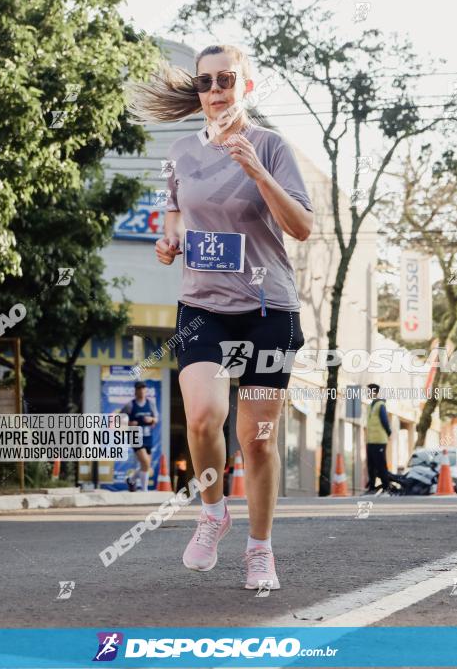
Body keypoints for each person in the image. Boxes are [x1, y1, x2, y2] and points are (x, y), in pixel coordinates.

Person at [126, 44, 314, 589]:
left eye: (225, 80)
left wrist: (257, 170)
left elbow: (300, 227)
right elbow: (178, 209)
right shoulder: (181, 152)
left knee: (256, 438)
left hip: (268, 307)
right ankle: (213, 512)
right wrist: (169, 239)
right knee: (206, 417)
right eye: (205, 83)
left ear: (245, 86)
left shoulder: (272, 148)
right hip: (203, 304)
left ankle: (260, 551)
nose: (214, 91)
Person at [120, 381, 158, 491]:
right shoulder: (130, 405)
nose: (141, 391)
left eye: (143, 389)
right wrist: (129, 423)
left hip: (147, 436)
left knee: (146, 465)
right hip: (135, 435)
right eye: (139, 389)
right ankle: (144, 489)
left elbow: (156, 419)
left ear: (146, 391)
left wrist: (151, 419)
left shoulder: (151, 404)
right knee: (145, 462)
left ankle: (131, 479)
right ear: (135, 391)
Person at [365, 383, 392, 493]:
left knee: (381, 465)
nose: (367, 393)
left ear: (374, 392)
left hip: (379, 440)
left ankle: (386, 487)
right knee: (371, 465)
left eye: (369, 391)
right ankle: (372, 487)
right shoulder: (370, 405)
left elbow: (385, 421)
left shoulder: (380, 404)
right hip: (371, 440)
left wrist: (389, 432)